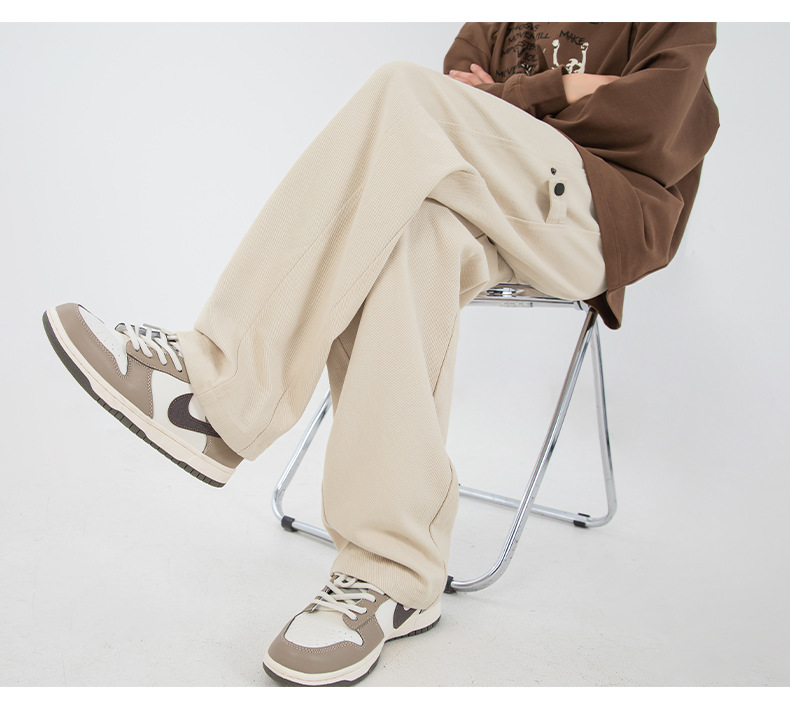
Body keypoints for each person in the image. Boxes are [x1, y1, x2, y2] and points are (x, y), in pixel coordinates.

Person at [42, 23, 719, 686]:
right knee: (414, 231)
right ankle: (393, 573)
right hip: (489, 201)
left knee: (402, 90)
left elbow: (656, 119)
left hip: (600, 216)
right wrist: (570, 90)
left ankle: (219, 391)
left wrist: (518, 94)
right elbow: (457, 91)